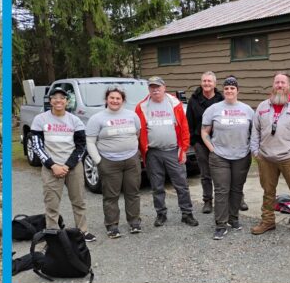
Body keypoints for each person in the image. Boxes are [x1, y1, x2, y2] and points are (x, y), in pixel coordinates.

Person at [249, 73, 290, 241]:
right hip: (266, 158)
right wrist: (255, 152)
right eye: (277, 82)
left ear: (288, 86)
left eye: (283, 82)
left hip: (289, 157)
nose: (279, 85)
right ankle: (268, 221)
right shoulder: (263, 106)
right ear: (273, 85)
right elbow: (255, 131)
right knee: (268, 192)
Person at [29, 87, 93, 240]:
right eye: (55, 98)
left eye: (62, 98)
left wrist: (67, 166)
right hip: (51, 166)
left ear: (66, 101)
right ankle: (53, 234)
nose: (58, 100)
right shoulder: (40, 119)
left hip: (72, 166)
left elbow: (81, 146)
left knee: (79, 201)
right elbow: (37, 145)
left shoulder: (74, 120)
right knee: (51, 203)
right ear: (50, 101)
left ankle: (82, 231)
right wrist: (52, 165)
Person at [135, 77, 198, 228]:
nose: (155, 90)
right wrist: (142, 150)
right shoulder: (141, 106)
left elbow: (184, 128)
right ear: (149, 89)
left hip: (173, 150)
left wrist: (183, 149)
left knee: (181, 184)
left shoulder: (174, 103)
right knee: (157, 185)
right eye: (152, 87)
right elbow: (138, 131)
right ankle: (161, 214)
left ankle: (187, 213)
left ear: (164, 87)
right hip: (153, 153)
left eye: (158, 87)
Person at [200, 76, 254, 240]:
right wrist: (212, 149)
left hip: (241, 156)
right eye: (227, 89)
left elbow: (254, 133)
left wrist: (250, 147)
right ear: (223, 91)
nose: (229, 91)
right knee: (222, 190)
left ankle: (233, 218)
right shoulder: (213, 109)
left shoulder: (248, 110)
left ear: (238, 90)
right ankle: (221, 224)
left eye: (232, 88)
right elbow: (204, 132)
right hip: (220, 157)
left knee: (236, 189)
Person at [85, 87, 142, 239]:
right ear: (106, 100)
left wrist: (135, 152)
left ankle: (134, 222)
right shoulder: (97, 118)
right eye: (112, 98)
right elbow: (90, 142)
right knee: (111, 196)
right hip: (108, 161)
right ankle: (112, 226)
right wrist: (98, 161)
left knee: (133, 193)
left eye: (118, 98)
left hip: (131, 160)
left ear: (123, 101)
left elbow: (138, 133)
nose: (115, 101)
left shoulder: (132, 116)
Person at [186, 72, 223, 214]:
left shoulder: (221, 99)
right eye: (204, 81)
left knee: (223, 172)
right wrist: (193, 142)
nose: (207, 83)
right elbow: (188, 122)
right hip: (200, 142)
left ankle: (232, 198)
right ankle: (207, 200)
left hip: (219, 141)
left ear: (215, 83)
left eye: (209, 81)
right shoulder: (194, 100)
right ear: (201, 83)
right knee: (205, 173)